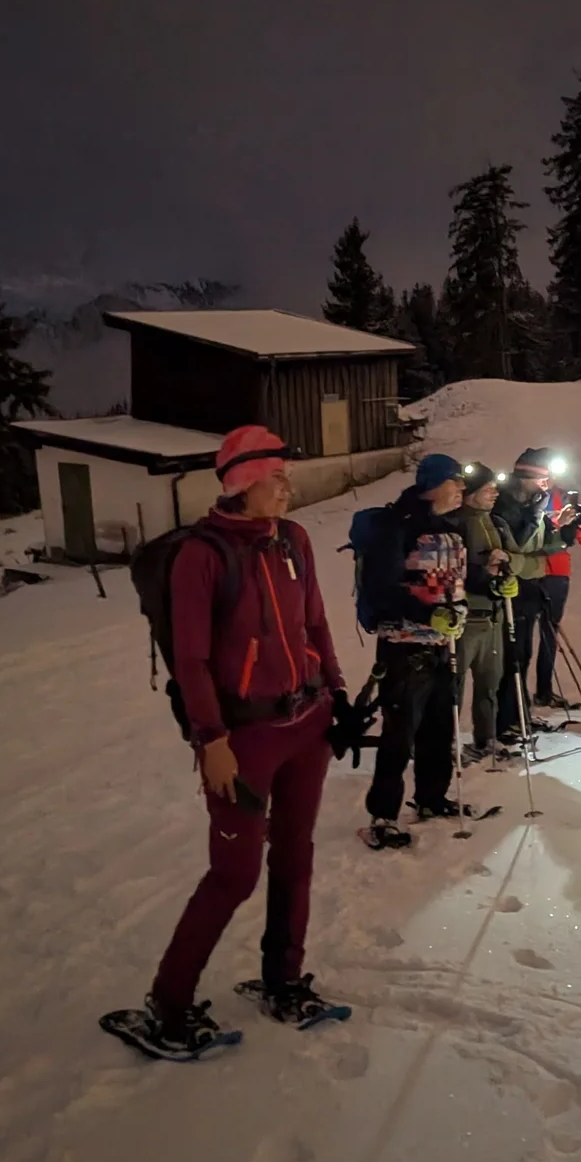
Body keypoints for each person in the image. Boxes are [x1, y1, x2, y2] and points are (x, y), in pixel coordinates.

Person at [142, 425, 344, 1056]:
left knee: (295, 857)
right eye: (275, 477)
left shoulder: (295, 540)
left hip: (306, 725)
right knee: (233, 875)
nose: (288, 486)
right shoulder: (202, 557)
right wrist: (211, 740)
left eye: (286, 475)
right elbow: (192, 660)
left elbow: (315, 621)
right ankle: (167, 1005)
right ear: (241, 483)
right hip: (246, 738)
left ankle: (282, 980)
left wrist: (336, 697)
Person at [359, 452, 469, 848]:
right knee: (399, 734)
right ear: (435, 485)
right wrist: (428, 615)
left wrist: (484, 588)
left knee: (439, 726)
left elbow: (452, 584)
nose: (461, 490)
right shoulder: (397, 526)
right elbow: (382, 590)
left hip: (442, 644)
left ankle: (431, 797)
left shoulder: (450, 527)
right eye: (456, 482)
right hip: (403, 647)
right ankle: (383, 814)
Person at [494, 447, 572, 742]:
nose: (547, 484)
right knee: (511, 658)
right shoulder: (506, 506)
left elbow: (545, 545)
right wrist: (534, 555)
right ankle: (504, 722)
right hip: (510, 593)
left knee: (523, 655)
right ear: (527, 476)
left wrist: (558, 530)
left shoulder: (532, 503)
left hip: (529, 591)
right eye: (543, 478)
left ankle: (520, 715)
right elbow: (520, 547)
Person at [453, 462, 521, 762]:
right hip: (467, 617)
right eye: (487, 489)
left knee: (489, 684)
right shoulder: (458, 522)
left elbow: (516, 558)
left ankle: (486, 739)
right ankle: (448, 743)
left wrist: (507, 573)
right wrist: (487, 572)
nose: (495, 493)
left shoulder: (494, 521)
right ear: (471, 493)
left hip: (493, 616)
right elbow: (456, 570)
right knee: (453, 687)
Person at [532, 462, 581, 712]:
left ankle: (544, 691)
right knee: (520, 638)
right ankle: (511, 698)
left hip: (557, 573)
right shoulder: (527, 499)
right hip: (530, 571)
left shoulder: (564, 498)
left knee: (549, 633)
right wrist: (557, 522)